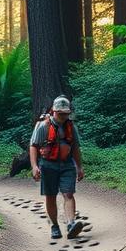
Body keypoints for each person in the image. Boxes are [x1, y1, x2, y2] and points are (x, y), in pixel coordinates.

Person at [29, 96, 85, 240]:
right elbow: (34, 146)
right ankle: (55, 226)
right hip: (48, 165)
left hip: (67, 164)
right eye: (60, 113)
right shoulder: (43, 126)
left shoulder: (71, 127)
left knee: (68, 194)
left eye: (65, 113)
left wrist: (79, 167)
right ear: (54, 111)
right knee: (51, 196)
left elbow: (76, 148)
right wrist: (35, 166)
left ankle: (71, 224)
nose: (63, 116)